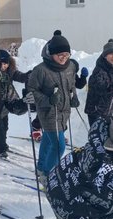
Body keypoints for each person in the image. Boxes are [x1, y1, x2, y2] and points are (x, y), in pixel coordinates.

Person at [27, 31, 79, 183]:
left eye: (66, 54)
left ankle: (41, 167)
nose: (64, 57)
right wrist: (48, 99)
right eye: (59, 54)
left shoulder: (70, 67)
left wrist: (74, 98)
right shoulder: (40, 70)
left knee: (49, 141)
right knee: (58, 146)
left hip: (64, 112)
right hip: (48, 112)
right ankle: (48, 175)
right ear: (51, 54)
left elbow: (72, 85)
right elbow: (31, 91)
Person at [30, 58, 89, 142]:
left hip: (65, 101)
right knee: (46, 115)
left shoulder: (72, 75)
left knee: (62, 118)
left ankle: (59, 134)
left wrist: (83, 77)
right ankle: (35, 128)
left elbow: (79, 85)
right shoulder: (54, 72)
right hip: (53, 98)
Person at [0, 49, 32, 157]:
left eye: (6, 64)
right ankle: (0, 147)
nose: (5, 66)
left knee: (5, 126)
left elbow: (19, 76)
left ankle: (1, 144)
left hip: (3, 107)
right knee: (0, 128)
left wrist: (28, 76)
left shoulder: (8, 72)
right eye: (2, 64)